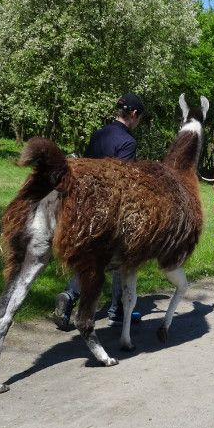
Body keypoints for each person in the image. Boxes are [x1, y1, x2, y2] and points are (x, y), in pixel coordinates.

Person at [53, 92, 145, 329]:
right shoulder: (128, 142)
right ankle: (116, 310)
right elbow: (122, 182)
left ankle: (69, 296)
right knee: (121, 254)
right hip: (109, 209)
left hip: (84, 204)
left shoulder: (99, 134)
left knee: (88, 257)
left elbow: (84, 168)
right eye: (139, 118)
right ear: (134, 114)